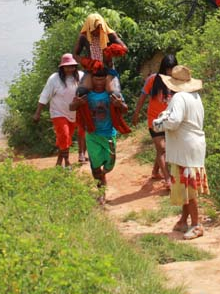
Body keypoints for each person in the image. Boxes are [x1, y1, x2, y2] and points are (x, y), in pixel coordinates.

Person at [151, 64, 208, 240]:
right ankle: (183, 221)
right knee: (185, 187)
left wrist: (158, 123)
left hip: (185, 148)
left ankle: (196, 225)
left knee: (188, 188)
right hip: (194, 145)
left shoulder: (179, 98)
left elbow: (174, 121)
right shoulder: (194, 97)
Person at [71, 63, 127, 204]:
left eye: (102, 79)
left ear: (106, 80)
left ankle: (102, 176)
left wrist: (120, 105)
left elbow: (125, 109)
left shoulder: (113, 95)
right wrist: (77, 104)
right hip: (92, 135)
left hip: (108, 134)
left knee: (110, 164)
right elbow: (71, 107)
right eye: (96, 79)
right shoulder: (86, 95)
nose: (99, 82)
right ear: (92, 79)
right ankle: (101, 193)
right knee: (95, 166)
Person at [132, 54, 178, 187]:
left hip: (170, 120)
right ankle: (168, 179)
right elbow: (142, 97)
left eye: (172, 68)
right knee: (162, 148)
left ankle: (155, 171)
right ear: (163, 68)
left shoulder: (177, 81)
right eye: (167, 68)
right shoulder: (153, 79)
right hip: (155, 120)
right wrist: (136, 114)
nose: (169, 71)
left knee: (162, 149)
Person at [34, 53, 86, 167]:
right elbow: (45, 95)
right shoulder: (54, 79)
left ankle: (59, 162)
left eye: (72, 66)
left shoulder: (81, 76)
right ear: (62, 67)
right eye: (67, 67)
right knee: (64, 135)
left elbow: (87, 91)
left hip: (74, 112)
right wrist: (38, 113)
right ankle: (67, 162)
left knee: (65, 138)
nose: (70, 69)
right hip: (58, 112)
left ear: (75, 66)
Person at [74, 13, 127, 94]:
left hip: (108, 69)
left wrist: (112, 50)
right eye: (93, 29)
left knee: (115, 93)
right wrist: (86, 62)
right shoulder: (83, 36)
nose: (96, 31)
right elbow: (75, 55)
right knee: (81, 92)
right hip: (91, 69)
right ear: (88, 27)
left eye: (98, 28)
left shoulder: (110, 34)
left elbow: (124, 48)